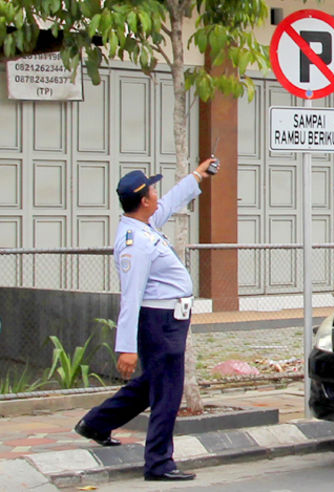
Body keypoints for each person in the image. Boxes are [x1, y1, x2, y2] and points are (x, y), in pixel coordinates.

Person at [73, 158, 217, 482]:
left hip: (170, 319)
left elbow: (171, 201)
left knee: (152, 384)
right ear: (143, 201)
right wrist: (125, 348)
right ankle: (159, 463)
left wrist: (198, 175)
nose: (157, 194)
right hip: (160, 321)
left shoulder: (144, 225)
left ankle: (96, 423)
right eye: (152, 190)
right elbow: (131, 296)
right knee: (167, 392)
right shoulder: (134, 243)